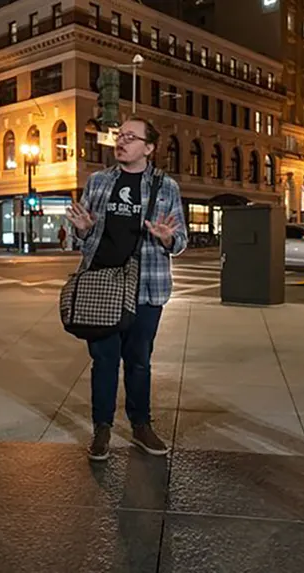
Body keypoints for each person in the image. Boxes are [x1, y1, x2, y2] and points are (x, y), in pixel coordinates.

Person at [65, 116, 187, 462]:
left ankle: (140, 425)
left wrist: (167, 238)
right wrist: (84, 229)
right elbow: (81, 237)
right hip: (101, 283)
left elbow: (180, 242)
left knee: (138, 362)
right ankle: (102, 428)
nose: (122, 142)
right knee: (103, 361)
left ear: (149, 148)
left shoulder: (167, 188)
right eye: (120, 136)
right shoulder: (99, 181)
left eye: (131, 138)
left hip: (147, 287)